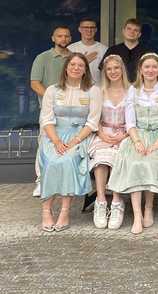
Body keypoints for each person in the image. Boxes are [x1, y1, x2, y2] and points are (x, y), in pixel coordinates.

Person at [107, 53, 158, 234]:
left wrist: (157, 143)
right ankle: (137, 215)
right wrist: (137, 141)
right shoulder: (133, 91)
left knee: (150, 162)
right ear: (140, 69)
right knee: (135, 162)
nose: (150, 70)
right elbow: (130, 122)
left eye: (154, 67)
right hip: (138, 135)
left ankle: (148, 208)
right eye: (146, 67)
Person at [38, 52, 102, 232]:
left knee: (68, 160)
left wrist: (74, 142)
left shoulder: (93, 91)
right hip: (55, 135)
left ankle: (64, 211)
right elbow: (47, 120)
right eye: (72, 64)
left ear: (85, 70)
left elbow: (92, 122)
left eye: (80, 65)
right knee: (51, 162)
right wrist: (57, 142)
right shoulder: (52, 90)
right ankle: (46, 211)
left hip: (80, 136)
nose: (76, 68)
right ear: (66, 67)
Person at [87, 55, 130, 230]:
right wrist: (101, 134)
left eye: (116, 68)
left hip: (125, 134)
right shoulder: (99, 91)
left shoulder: (131, 91)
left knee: (118, 156)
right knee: (101, 157)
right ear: (104, 72)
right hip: (103, 132)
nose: (113, 72)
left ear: (122, 69)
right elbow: (94, 116)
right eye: (109, 69)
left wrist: (124, 136)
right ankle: (101, 201)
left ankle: (117, 202)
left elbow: (135, 119)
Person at [30, 26, 72, 197]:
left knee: (68, 143)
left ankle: (65, 180)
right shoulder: (42, 58)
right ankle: (41, 181)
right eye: (59, 36)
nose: (63, 39)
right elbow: (35, 83)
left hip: (71, 110)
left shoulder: (74, 58)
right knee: (45, 144)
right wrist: (52, 99)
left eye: (66, 36)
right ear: (53, 38)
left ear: (70, 38)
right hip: (49, 110)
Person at [100, 18, 155, 82]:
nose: (132, 32)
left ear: (139, 34)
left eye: (135, 30)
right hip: (118, 87)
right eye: (129, 29)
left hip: (140, 87)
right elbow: (103, 70)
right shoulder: (112, 50)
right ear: (123, 31)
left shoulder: (148, 52)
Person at [68, 18, 108, 86]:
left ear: (96, 30)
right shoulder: (70, 49)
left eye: (92, 28)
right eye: (85, 27)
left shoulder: (104, 49)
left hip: (98, 88)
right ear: (80, 29)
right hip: (76, 88)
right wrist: (84, 61)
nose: (89, 30)